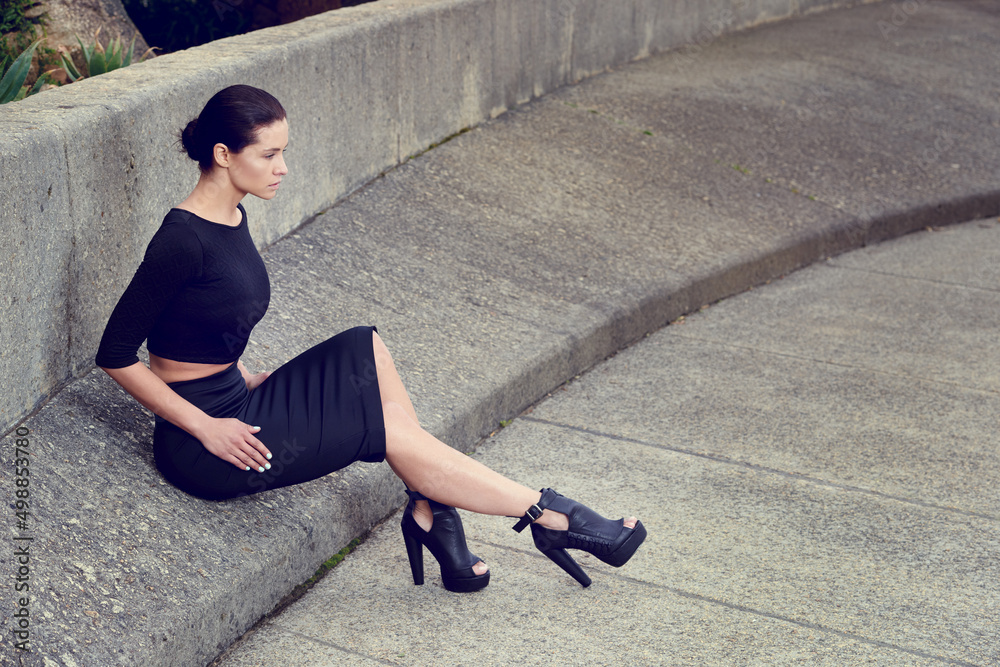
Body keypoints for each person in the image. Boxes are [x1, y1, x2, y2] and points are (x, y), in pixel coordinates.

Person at [96, 84, 646, 591]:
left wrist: (240, 374)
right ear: (223, 155)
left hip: (232, 396)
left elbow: (193, 323)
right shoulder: (180, 239)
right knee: (387, 428)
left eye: (283, 152)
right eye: (269, 155)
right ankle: (551, 514)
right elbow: (116, 353)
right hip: (202, 444)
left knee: (366, 345)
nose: (283, 168)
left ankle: (432, 513)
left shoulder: (234, 216)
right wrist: (206, 427)